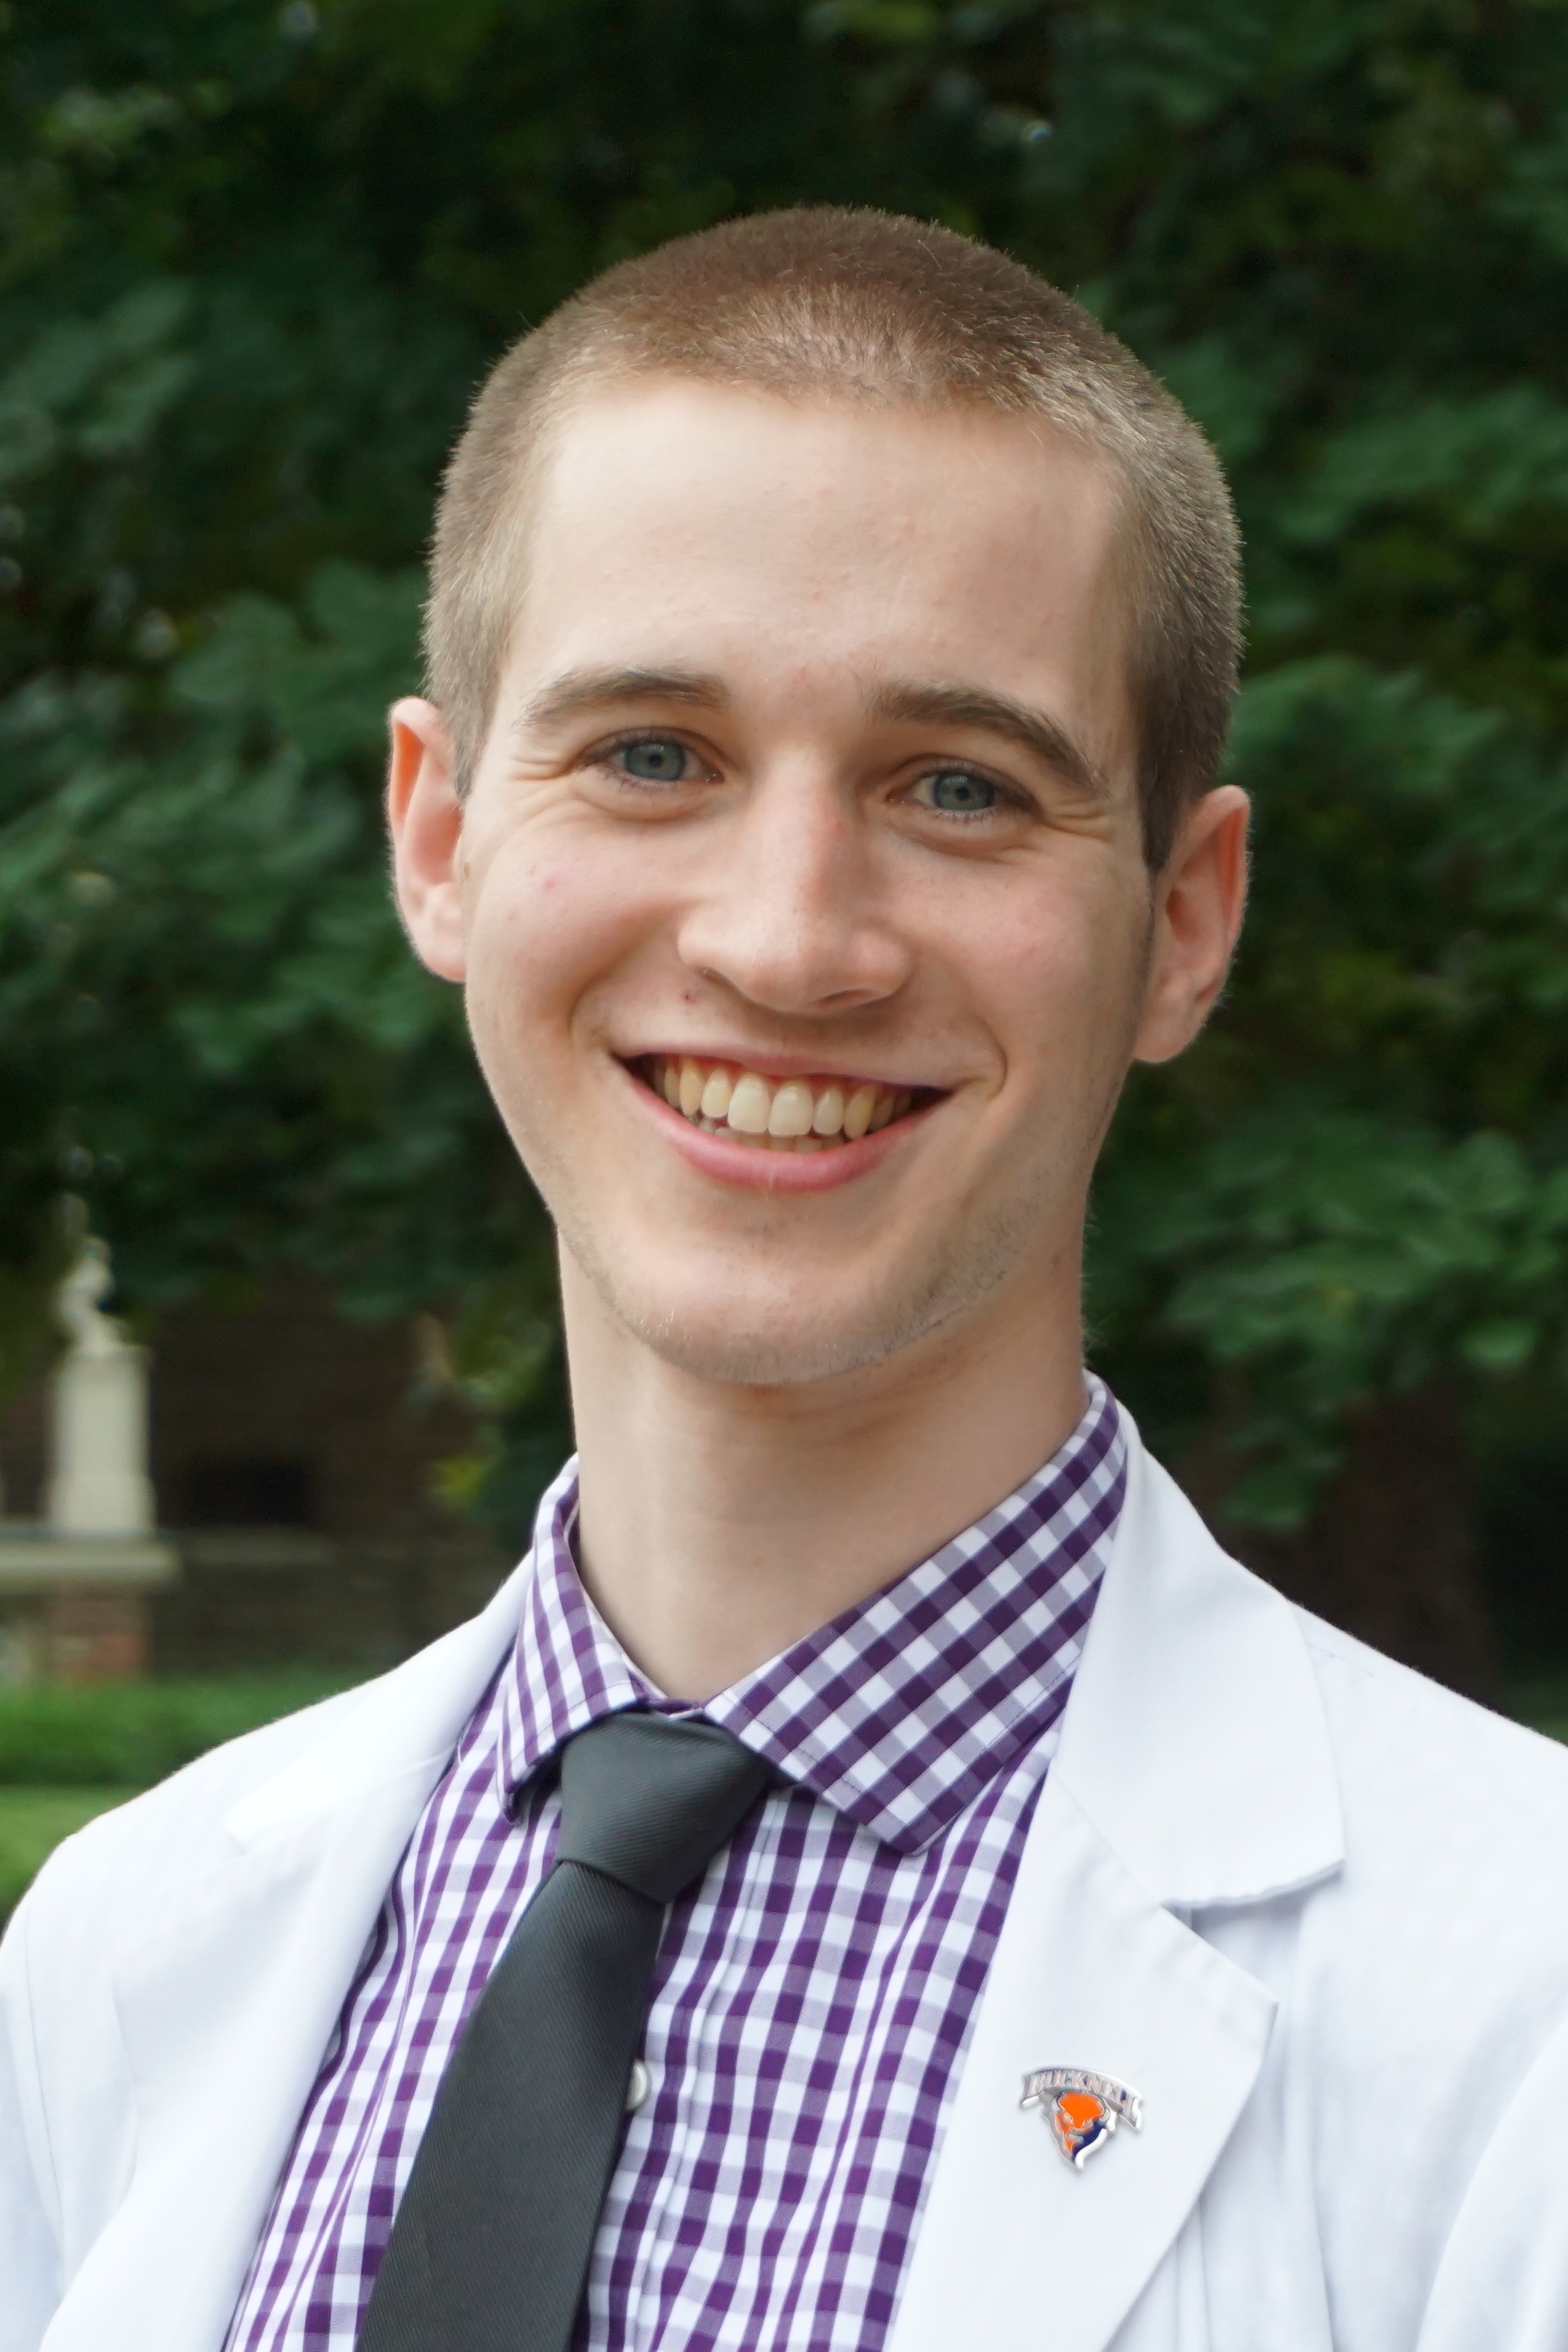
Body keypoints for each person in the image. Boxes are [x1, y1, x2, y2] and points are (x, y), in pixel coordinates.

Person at [5, 207, 1568, 2352]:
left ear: (1185, 924)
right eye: (652, 754)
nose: (789, 939)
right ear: (438, 836)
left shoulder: (1520, 2011)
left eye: (962, 787)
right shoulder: (123, 1955)